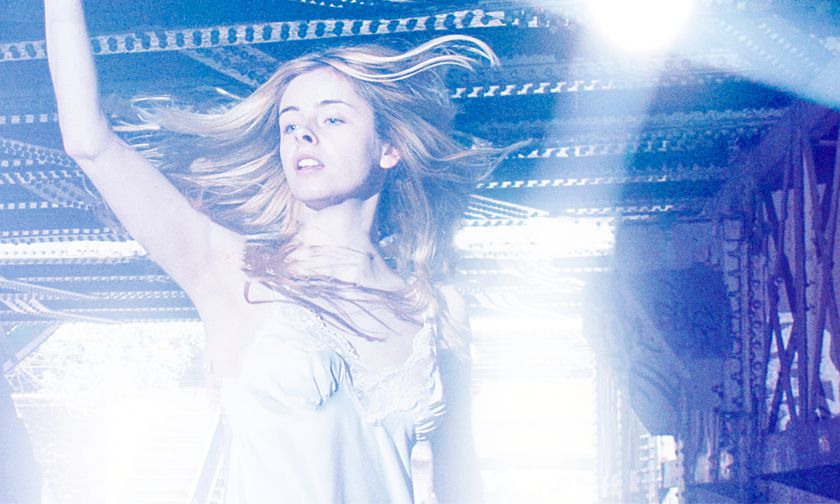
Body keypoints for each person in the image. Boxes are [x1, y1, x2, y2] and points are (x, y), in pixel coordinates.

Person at [46, 1, 513, 502]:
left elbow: (460, 479)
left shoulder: (438, 310)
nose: (304, 134)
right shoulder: (231, 273)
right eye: (290, 125)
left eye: (332, 118)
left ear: (388, 148)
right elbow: (89, 142)